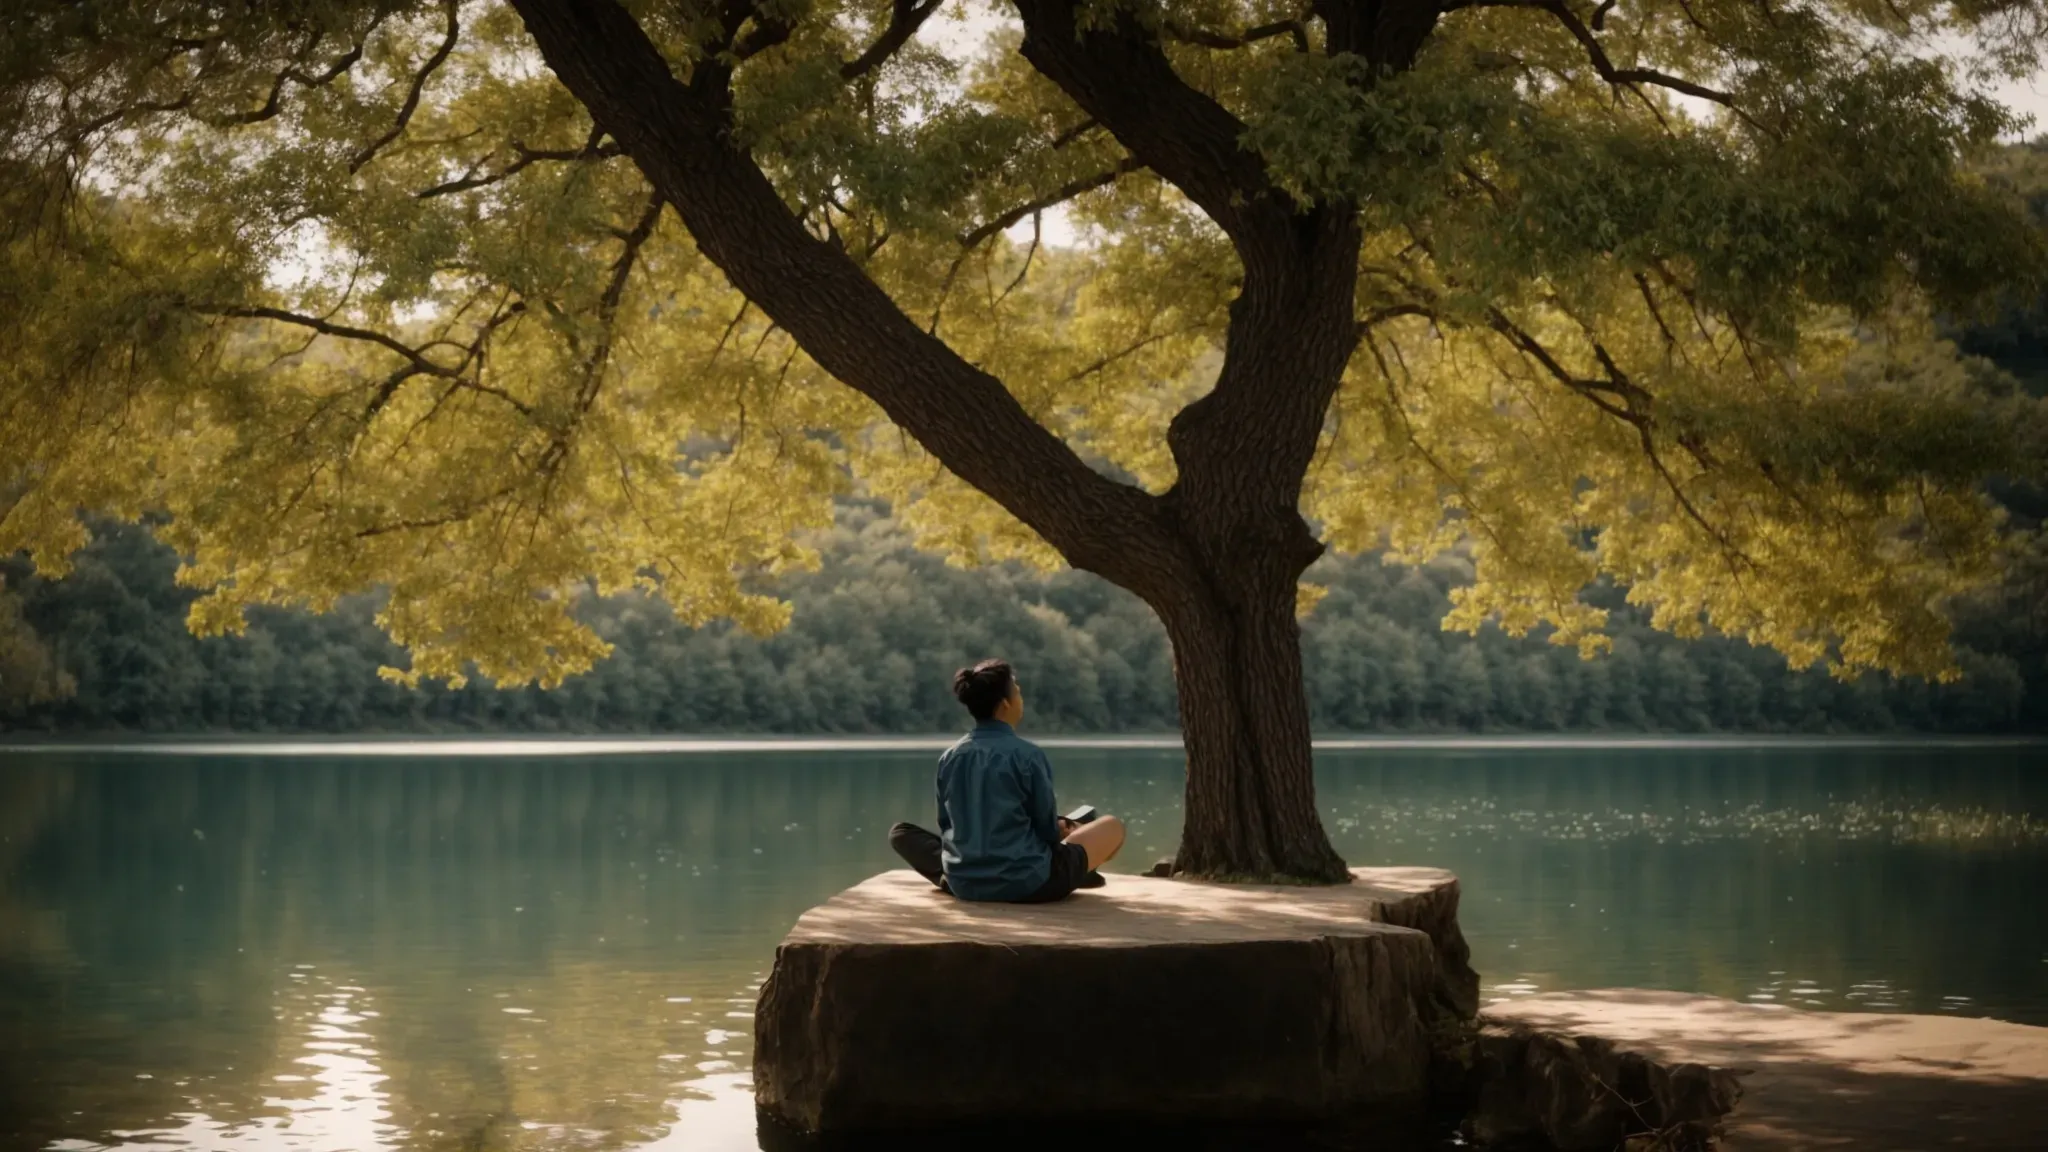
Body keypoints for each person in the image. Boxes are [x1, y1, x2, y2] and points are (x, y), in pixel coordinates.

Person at [888, 659, 1125, 902]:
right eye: (1018, 692)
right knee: (1112, 826)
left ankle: (970, 877)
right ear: (1005, 705)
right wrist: (1061, 830)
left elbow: (947, 825)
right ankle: (1078, 872)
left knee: (902, 833)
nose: (1021, 698)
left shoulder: (949, 757)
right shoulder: (1028, 756)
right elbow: (1045, 832)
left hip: (964, 883)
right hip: (1029, 884)